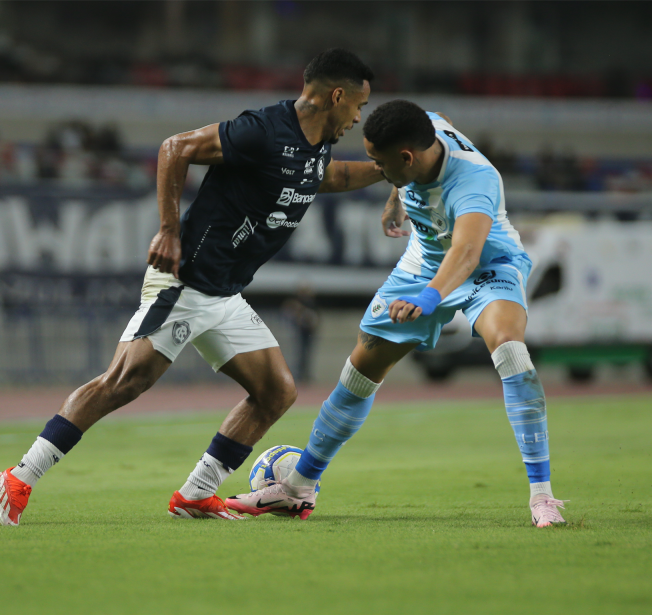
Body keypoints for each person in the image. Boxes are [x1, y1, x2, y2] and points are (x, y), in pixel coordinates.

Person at [0, 49, 386, 525]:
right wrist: (169, 229)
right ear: (336, 95)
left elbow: (334, 175)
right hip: (186, 283)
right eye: (358, 106)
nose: (359, 118)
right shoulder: (262, 130)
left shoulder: (317, 144)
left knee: (276, 391)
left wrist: (392, 169)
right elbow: (175, 148)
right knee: (124, 381)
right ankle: (18, 476)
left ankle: (197, 493)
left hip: (225, 293)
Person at [227, 100, 568, 528]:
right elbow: (409, 158)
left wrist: (428, 299)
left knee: (511, 351)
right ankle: (298, 487)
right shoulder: (425, 127)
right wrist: (397, 198)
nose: (375, 167)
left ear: (406, 157)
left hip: (486, 263)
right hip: (424, 259)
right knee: (359, 371)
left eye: (379, 162)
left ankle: (543, 497)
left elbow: (465, 253)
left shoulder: (476, 182)